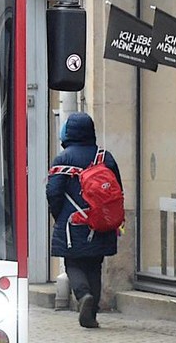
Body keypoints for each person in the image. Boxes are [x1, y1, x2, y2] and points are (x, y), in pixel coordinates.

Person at [47, 112, 122, 329]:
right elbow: (117, 190)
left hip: (73, 222)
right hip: (101, 222)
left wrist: (59, 215)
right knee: (95, 265)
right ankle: (92, 313)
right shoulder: (104, 157)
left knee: (73, 263)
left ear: (68, 132)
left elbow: (53, 192)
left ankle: (83, 296)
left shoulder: (63, 159)